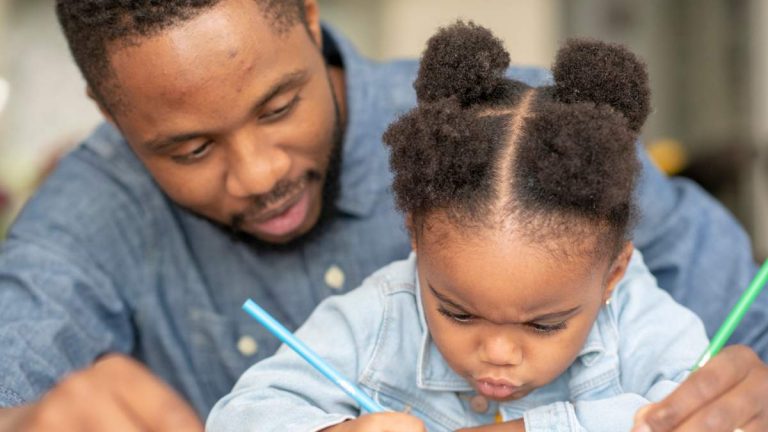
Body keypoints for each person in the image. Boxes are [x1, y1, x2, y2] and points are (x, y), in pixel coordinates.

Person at [0, 0, 764, 431]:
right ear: (105, 110)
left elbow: (745, 334)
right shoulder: (78, 226)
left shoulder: (548, 153)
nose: (259, 173)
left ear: (307, 13)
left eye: (280, 104)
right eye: (190, 148)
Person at [206, 23, 711, 432]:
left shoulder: (635, 315)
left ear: (612, 273)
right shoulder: (381, 316)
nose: (498, 354)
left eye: (544, 324)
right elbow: (238, 416)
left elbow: (707, 416)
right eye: (458, 313)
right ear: (415, 240)